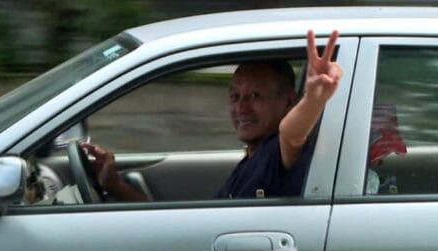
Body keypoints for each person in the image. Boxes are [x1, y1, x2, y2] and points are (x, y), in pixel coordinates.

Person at [81, 30, 342, 200]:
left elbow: (292, 134)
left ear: (288, 102)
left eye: (255, 96)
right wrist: (115, 185)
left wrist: (313, 100)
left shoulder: (278, 154)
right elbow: (179, 228)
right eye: (235, 96)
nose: (241, 108)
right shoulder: (251, 159)